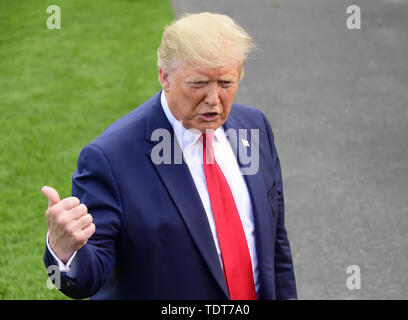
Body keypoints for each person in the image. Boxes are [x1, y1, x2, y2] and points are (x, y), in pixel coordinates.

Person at [42, 12, 297, 300]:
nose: (213, 99)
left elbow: (276, 245)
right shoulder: (110, 159)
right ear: (164, 76)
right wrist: (63, 251)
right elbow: (88, 279)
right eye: (199, 84)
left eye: (225, 83)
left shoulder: (254, 127)